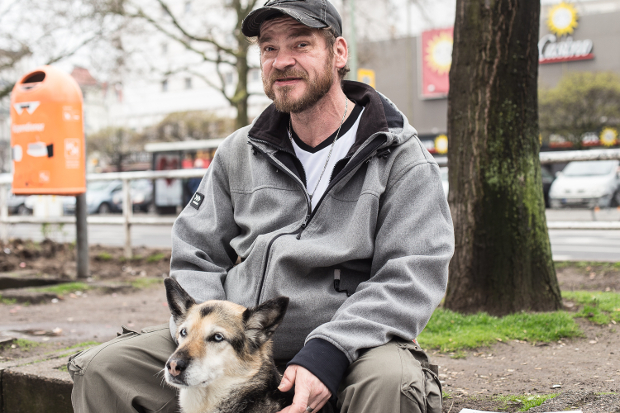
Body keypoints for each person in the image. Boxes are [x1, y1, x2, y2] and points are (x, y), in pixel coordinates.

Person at [68, 0, 454, 412]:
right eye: (269, 48)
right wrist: (208, 335)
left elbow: (411, 273)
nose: (282, 61)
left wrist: (330, 349)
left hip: (349, 345)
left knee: (392, 384)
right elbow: (194, 253)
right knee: (103, 369)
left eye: (301, 44)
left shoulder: (398, 155)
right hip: (232, 347)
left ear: (339, 52)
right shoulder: (239, 150)